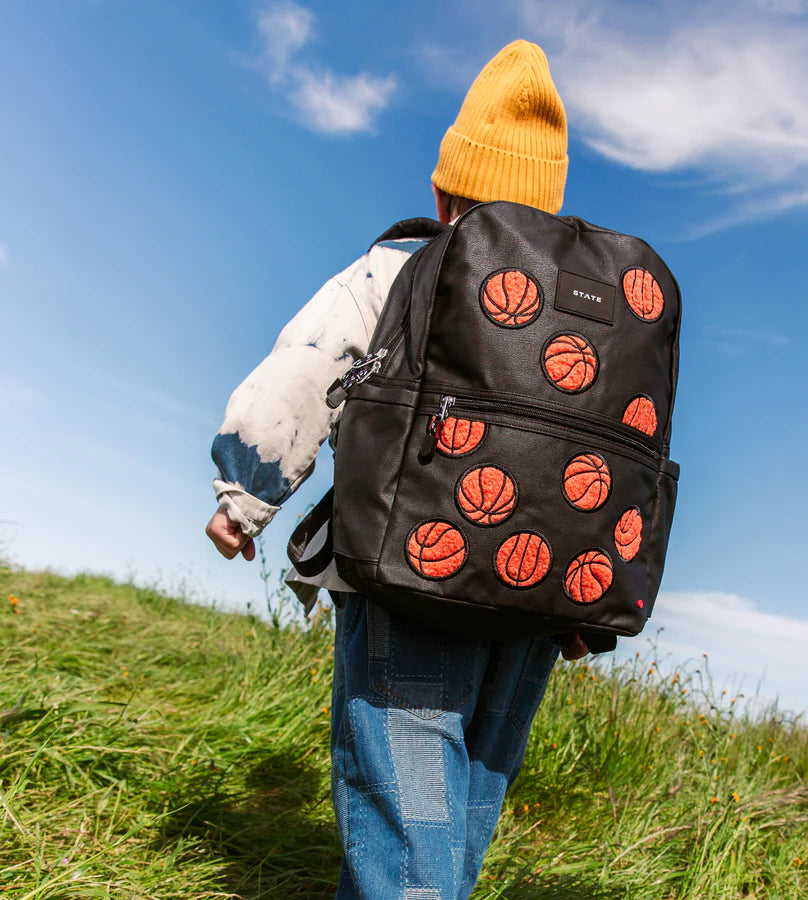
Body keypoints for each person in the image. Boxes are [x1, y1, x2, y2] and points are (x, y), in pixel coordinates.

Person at [206, 40, 587, 898]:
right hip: (534, 603)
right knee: (462, 811)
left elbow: (306, 370)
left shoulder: (404, 266)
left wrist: (243, 495)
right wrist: (581, 600)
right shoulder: (578, 307)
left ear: (443, 188)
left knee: (408, 811)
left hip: (417, 572)